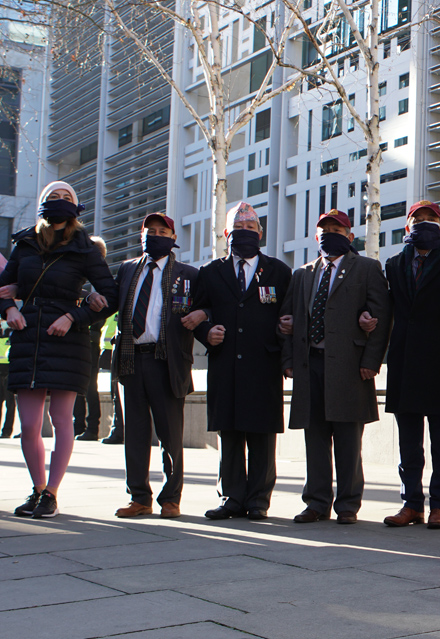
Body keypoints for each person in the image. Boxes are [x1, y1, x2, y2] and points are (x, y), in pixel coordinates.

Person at [2, 181, 118, 519]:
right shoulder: (24, 243)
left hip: (69, 338)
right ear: (42, 204)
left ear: (77, 207)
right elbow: (3, 288)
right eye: (54, 197)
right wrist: (9, 309)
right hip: (29, 336)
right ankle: (37, 489)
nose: (60, 201)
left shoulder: (85, 246)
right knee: (28, 423)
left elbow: (109, 295)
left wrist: (74, 315)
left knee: (61, 419)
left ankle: (52, 493)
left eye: (67, 198)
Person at [280, 209, 390, 525]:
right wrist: (288, 362)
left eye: (337, 229)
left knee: (347, 440)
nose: (330, 233)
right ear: (316, 237)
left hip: (350, 367)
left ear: (350, 236)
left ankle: (347, 504)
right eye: (325, 229)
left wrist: (372, 361)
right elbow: (286, 320)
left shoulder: (367, 268)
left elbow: (381, 319)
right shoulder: (301, 274)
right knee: (314, 440)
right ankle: (316, 503)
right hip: (309, 366)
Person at [188, 202, 292, 521]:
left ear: (260, 234)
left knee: (261, 435)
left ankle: (259, 499)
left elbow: (288, 316)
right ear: (226, 234)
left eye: (250, 229)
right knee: (229, 434)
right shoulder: (210, 272)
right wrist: (207, 331)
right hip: (225, 365)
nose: (244, 234)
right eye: (238, 229)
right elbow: (196, 312)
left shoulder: (279, 271)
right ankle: (231, 497)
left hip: (264, 365)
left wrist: (286, 339)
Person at [376, 201, 440, 529]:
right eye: (418, 219)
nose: (425, 223)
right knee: (408, 444)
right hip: (404, 360)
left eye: (432, 219)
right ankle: (411, 503)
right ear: (407, 226)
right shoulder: (392, 264)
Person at [112, 213, 198, 519]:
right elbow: (109, 301)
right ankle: (139, 497)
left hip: (167, 362)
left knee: (170, 435)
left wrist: (206, 322)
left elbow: (203, 311)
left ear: (173, 238)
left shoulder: (189, 275)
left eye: (163, 231)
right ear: (141, 235)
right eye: (151, 230)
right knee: (134, 434)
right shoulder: (126, 270)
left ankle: (170, 498)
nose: (156, 235)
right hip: (131, 359)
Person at [73, 237, 109, 442]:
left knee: (88, 386)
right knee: (79, 385)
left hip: (91, 340)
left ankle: (90, 427)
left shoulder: (101, 283)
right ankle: (79, 425)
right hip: (83, 339)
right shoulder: (79, 279)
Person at [99, 311, 123, 445]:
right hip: (109, 348)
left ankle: (118, 430)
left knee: (117, 394)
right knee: (115, 394)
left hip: (117, 348)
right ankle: (117, 429)